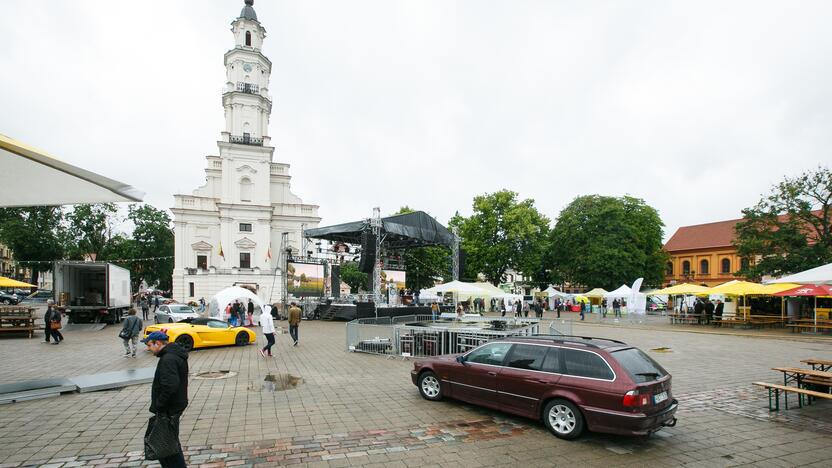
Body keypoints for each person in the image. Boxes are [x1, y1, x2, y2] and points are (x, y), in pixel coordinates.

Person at [143, 331, 188, 468]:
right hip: (174, 405)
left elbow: (170, 385)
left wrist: (159, 404)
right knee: (169, 441)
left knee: (168, 443)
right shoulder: (173, 355)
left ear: (158, 343)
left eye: (150, 345)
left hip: (169, 408)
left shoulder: (168, 359)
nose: (148, 348)